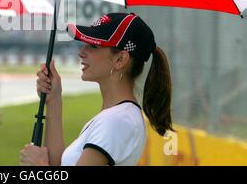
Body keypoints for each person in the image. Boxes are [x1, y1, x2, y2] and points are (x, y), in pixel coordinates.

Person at [20, 12, 173, 166]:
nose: (81, 52)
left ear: (120, 59)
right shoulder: (115, 116)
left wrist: (39, 166)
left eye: (93, 45)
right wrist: (53, 100)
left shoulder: (117, 121)